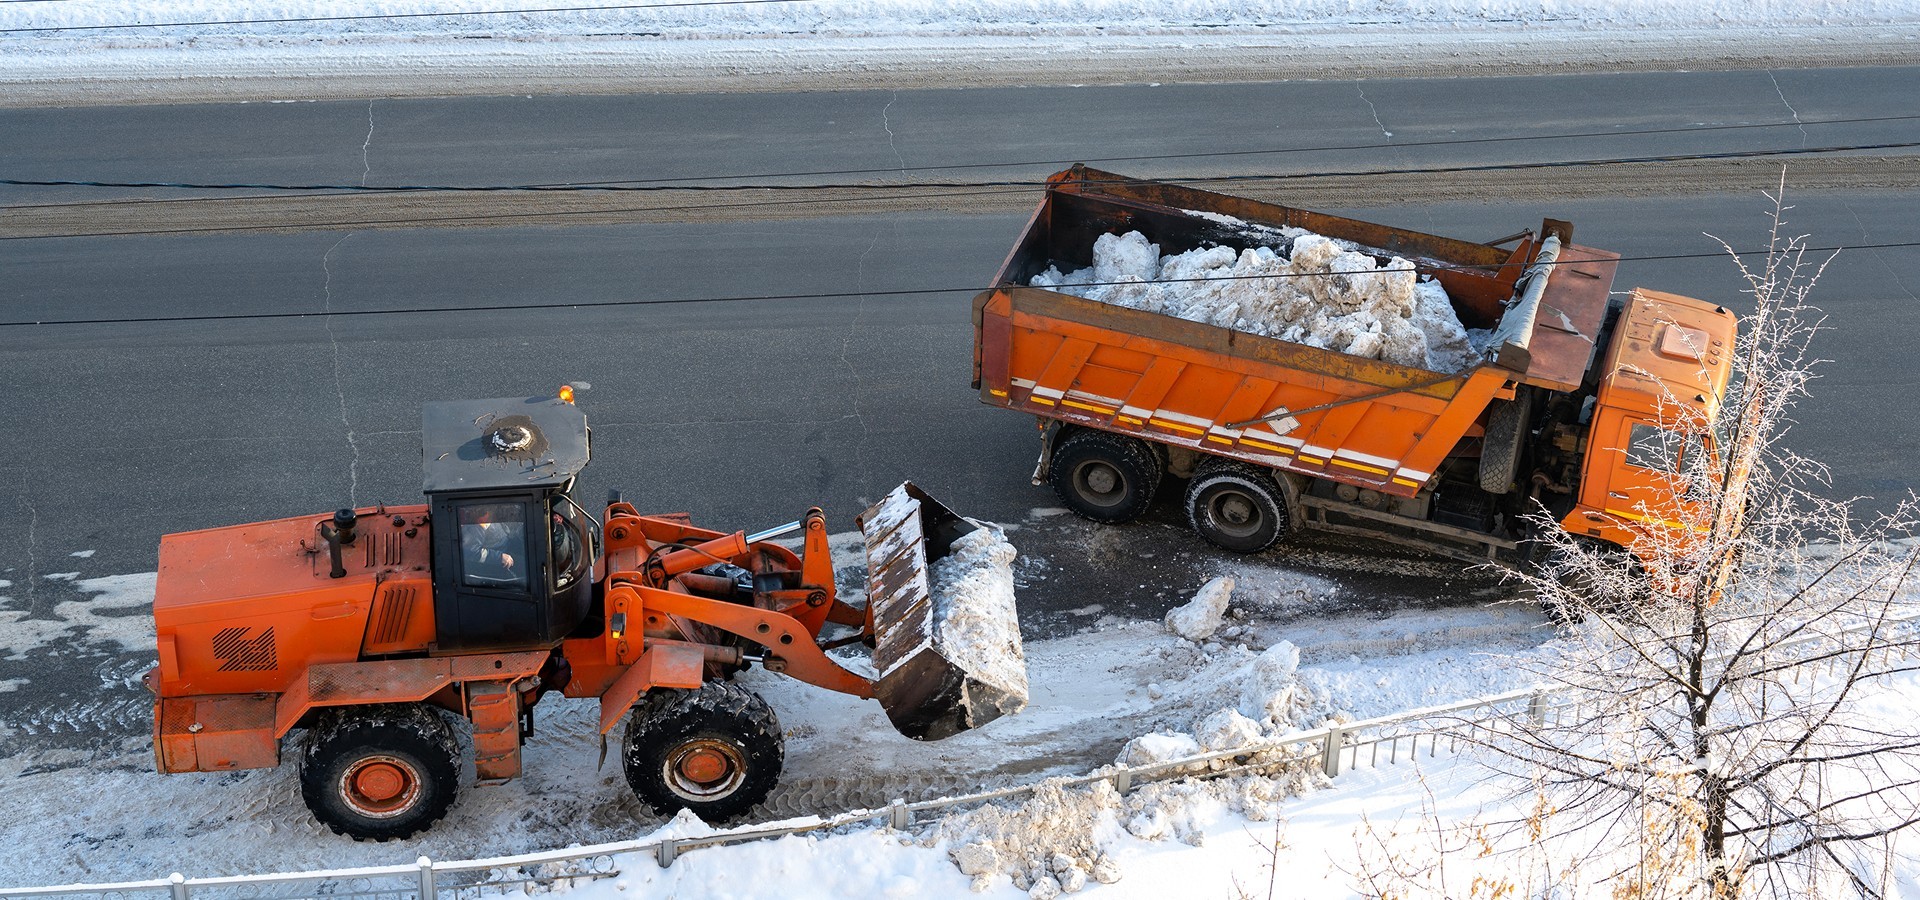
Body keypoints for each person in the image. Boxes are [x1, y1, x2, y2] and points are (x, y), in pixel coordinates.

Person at [460, 504, 526, 588]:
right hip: (496, 563)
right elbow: (472, 551)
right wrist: (499, 557)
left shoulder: (494, 516)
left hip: (507, 548)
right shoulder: (479, 523)